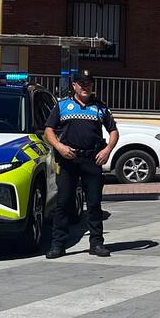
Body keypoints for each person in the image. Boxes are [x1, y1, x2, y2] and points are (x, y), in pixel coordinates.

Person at [44, 73, 118, 258]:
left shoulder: (100, 107)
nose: (86, 87)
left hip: (92, 160)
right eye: (82, 84)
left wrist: (107, 150)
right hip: (68, 160)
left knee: (94, 203)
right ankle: (58, 245)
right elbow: (48, 130)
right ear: (74, 85)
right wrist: (59, 147)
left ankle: (97, 244)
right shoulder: (62, 106)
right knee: (63, 203)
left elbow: (113, 131)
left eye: (89, 84)